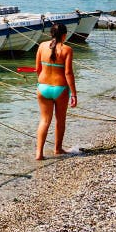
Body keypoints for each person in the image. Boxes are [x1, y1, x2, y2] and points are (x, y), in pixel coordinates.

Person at [35, 23, 77, 160]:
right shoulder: (67, 50)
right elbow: (68, 73)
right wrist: (74, 94)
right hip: (60, 89)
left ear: (51, 34)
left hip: (43, 88)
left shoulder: (41, 46)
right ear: (64, 35)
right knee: (60, 120)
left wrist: (42, 83)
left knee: (44, 120)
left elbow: (38, 69)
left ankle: (39, 153)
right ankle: (57, 149)